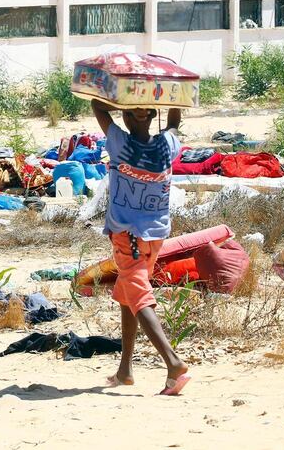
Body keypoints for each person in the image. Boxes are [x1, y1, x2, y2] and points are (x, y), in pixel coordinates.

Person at [91, 98, 191, 396]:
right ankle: (125, 369)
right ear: (151, 117)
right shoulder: (166, 146)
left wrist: (116, 94)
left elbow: (98, 107)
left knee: (138, 294)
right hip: (155, 235)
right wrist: (171, 101)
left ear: (126, 116)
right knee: (128, 293)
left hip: (128, 235)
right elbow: (174, 123)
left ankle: (172, 362)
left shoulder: (120, 144)